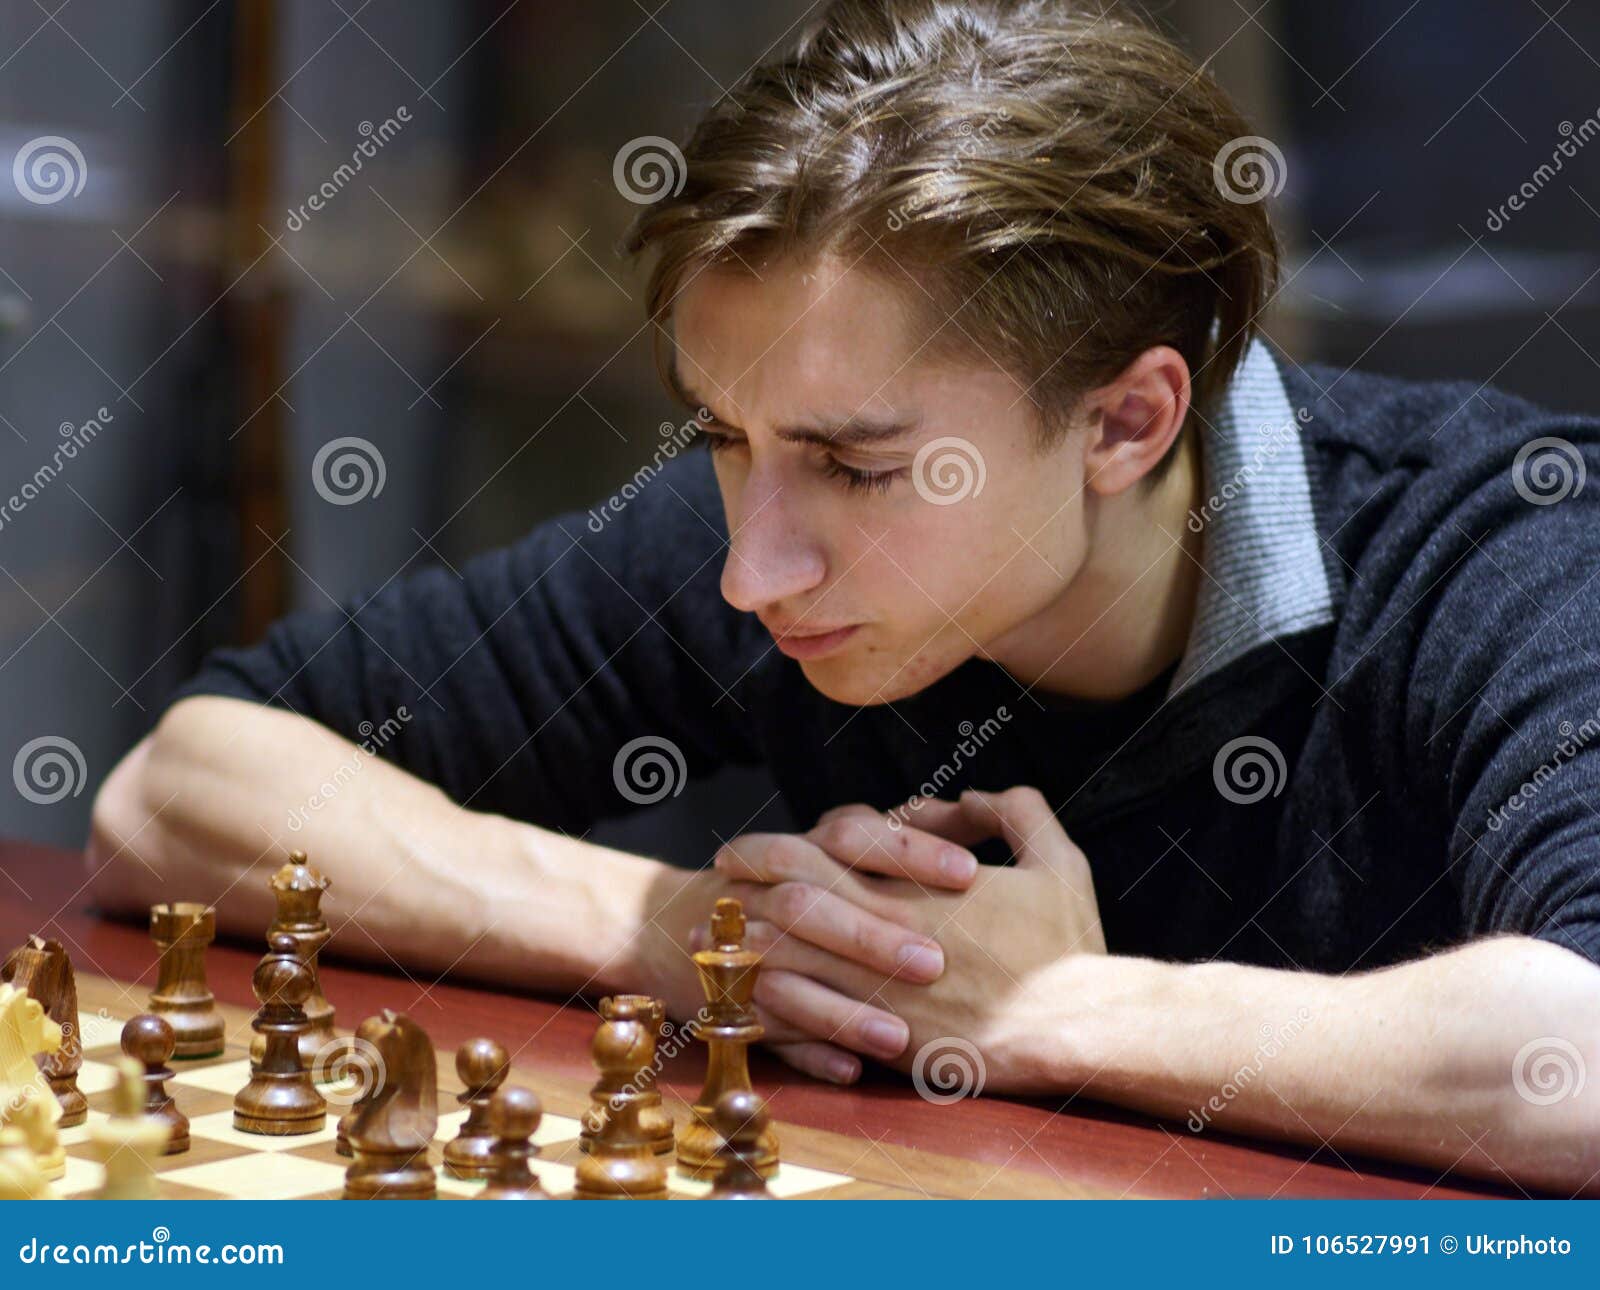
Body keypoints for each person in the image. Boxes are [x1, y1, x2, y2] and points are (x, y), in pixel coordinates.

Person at [87, 0, 1600, 1194]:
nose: (755, 568)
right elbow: (184, 781)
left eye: (860, 468)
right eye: (726, 440)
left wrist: (1054, 1009)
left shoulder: (1501, 546)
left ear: (1128, 421)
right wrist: (686, 930)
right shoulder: (767, 516)